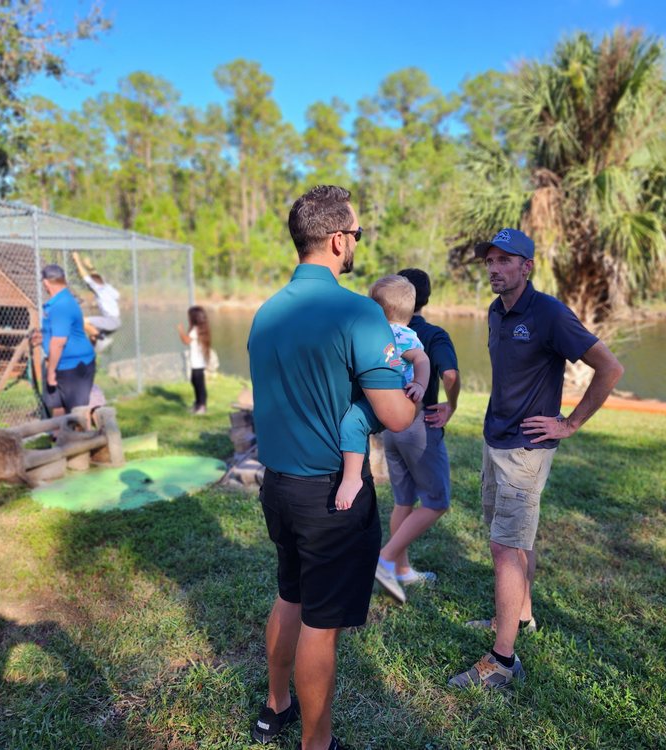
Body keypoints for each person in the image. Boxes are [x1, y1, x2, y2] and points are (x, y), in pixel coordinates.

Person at [247, 185, 416, 750]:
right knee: (322, 624)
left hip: (279, 487)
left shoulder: (267, 312)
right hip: (330, 497)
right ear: (339, 240)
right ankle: (316, 744)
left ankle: (276, 708)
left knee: (289, 594)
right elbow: (394, 415)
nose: (357, 244)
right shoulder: (359, 311)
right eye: (357, 235)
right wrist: (413, 393)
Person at [448, 228, 623, 690]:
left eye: (505, 261)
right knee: (512, 540)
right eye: (490, 261)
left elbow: (610, 368)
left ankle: (502, 661)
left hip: (526, 449)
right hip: (496, 440)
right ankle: (520, 616)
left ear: (527, 267)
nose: (494, 268)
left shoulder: (548, 313)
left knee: (505, 547)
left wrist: (569, 423)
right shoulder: (495, 311)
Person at [373, 268, 461, 604]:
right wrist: (449, 405)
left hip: (391, 427)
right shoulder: (430, 334)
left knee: (403, 501)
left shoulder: (379, 331)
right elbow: (450, 375)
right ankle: (386, 558)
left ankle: (402, 569)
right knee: (437, 502)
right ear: (425, 298)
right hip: (418, 423)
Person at [335, 275, 430, 521]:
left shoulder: (402, 335)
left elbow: (422, 358)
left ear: (374, 309)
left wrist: (419, 383)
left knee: (352, 422)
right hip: (376, 392)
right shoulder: (378, 331)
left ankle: (351, 478)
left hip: (393, 395)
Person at [37, 264, 96, 417]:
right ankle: (60, 440)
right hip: (62, 364)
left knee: (77, 414)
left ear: (46, 283)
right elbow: (57, 332)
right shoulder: (60, 301)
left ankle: (83, 440)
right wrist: (43, 337)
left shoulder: (61, 305)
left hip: (73, 367)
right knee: (56, 407)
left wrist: (51, 371)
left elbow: (59, 342)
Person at [71, 251, 121, 350]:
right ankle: (93, 347)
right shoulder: (107, 287)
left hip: (111, 321)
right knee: (92, 336)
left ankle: (102, 339)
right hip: (115, 321)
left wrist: (77, 260)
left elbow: (85, 276)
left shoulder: (99, 289)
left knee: (82, 321)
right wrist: (90, 266)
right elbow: (97, 278)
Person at [176, 305, 211, 415]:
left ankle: (202, 406)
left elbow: (186, 341)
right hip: (198, 363)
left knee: (199, 385)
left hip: (197, 364)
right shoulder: (200, 329)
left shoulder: (195, 330)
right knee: (195, 382)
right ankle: (198, 404)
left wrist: (180, 330)